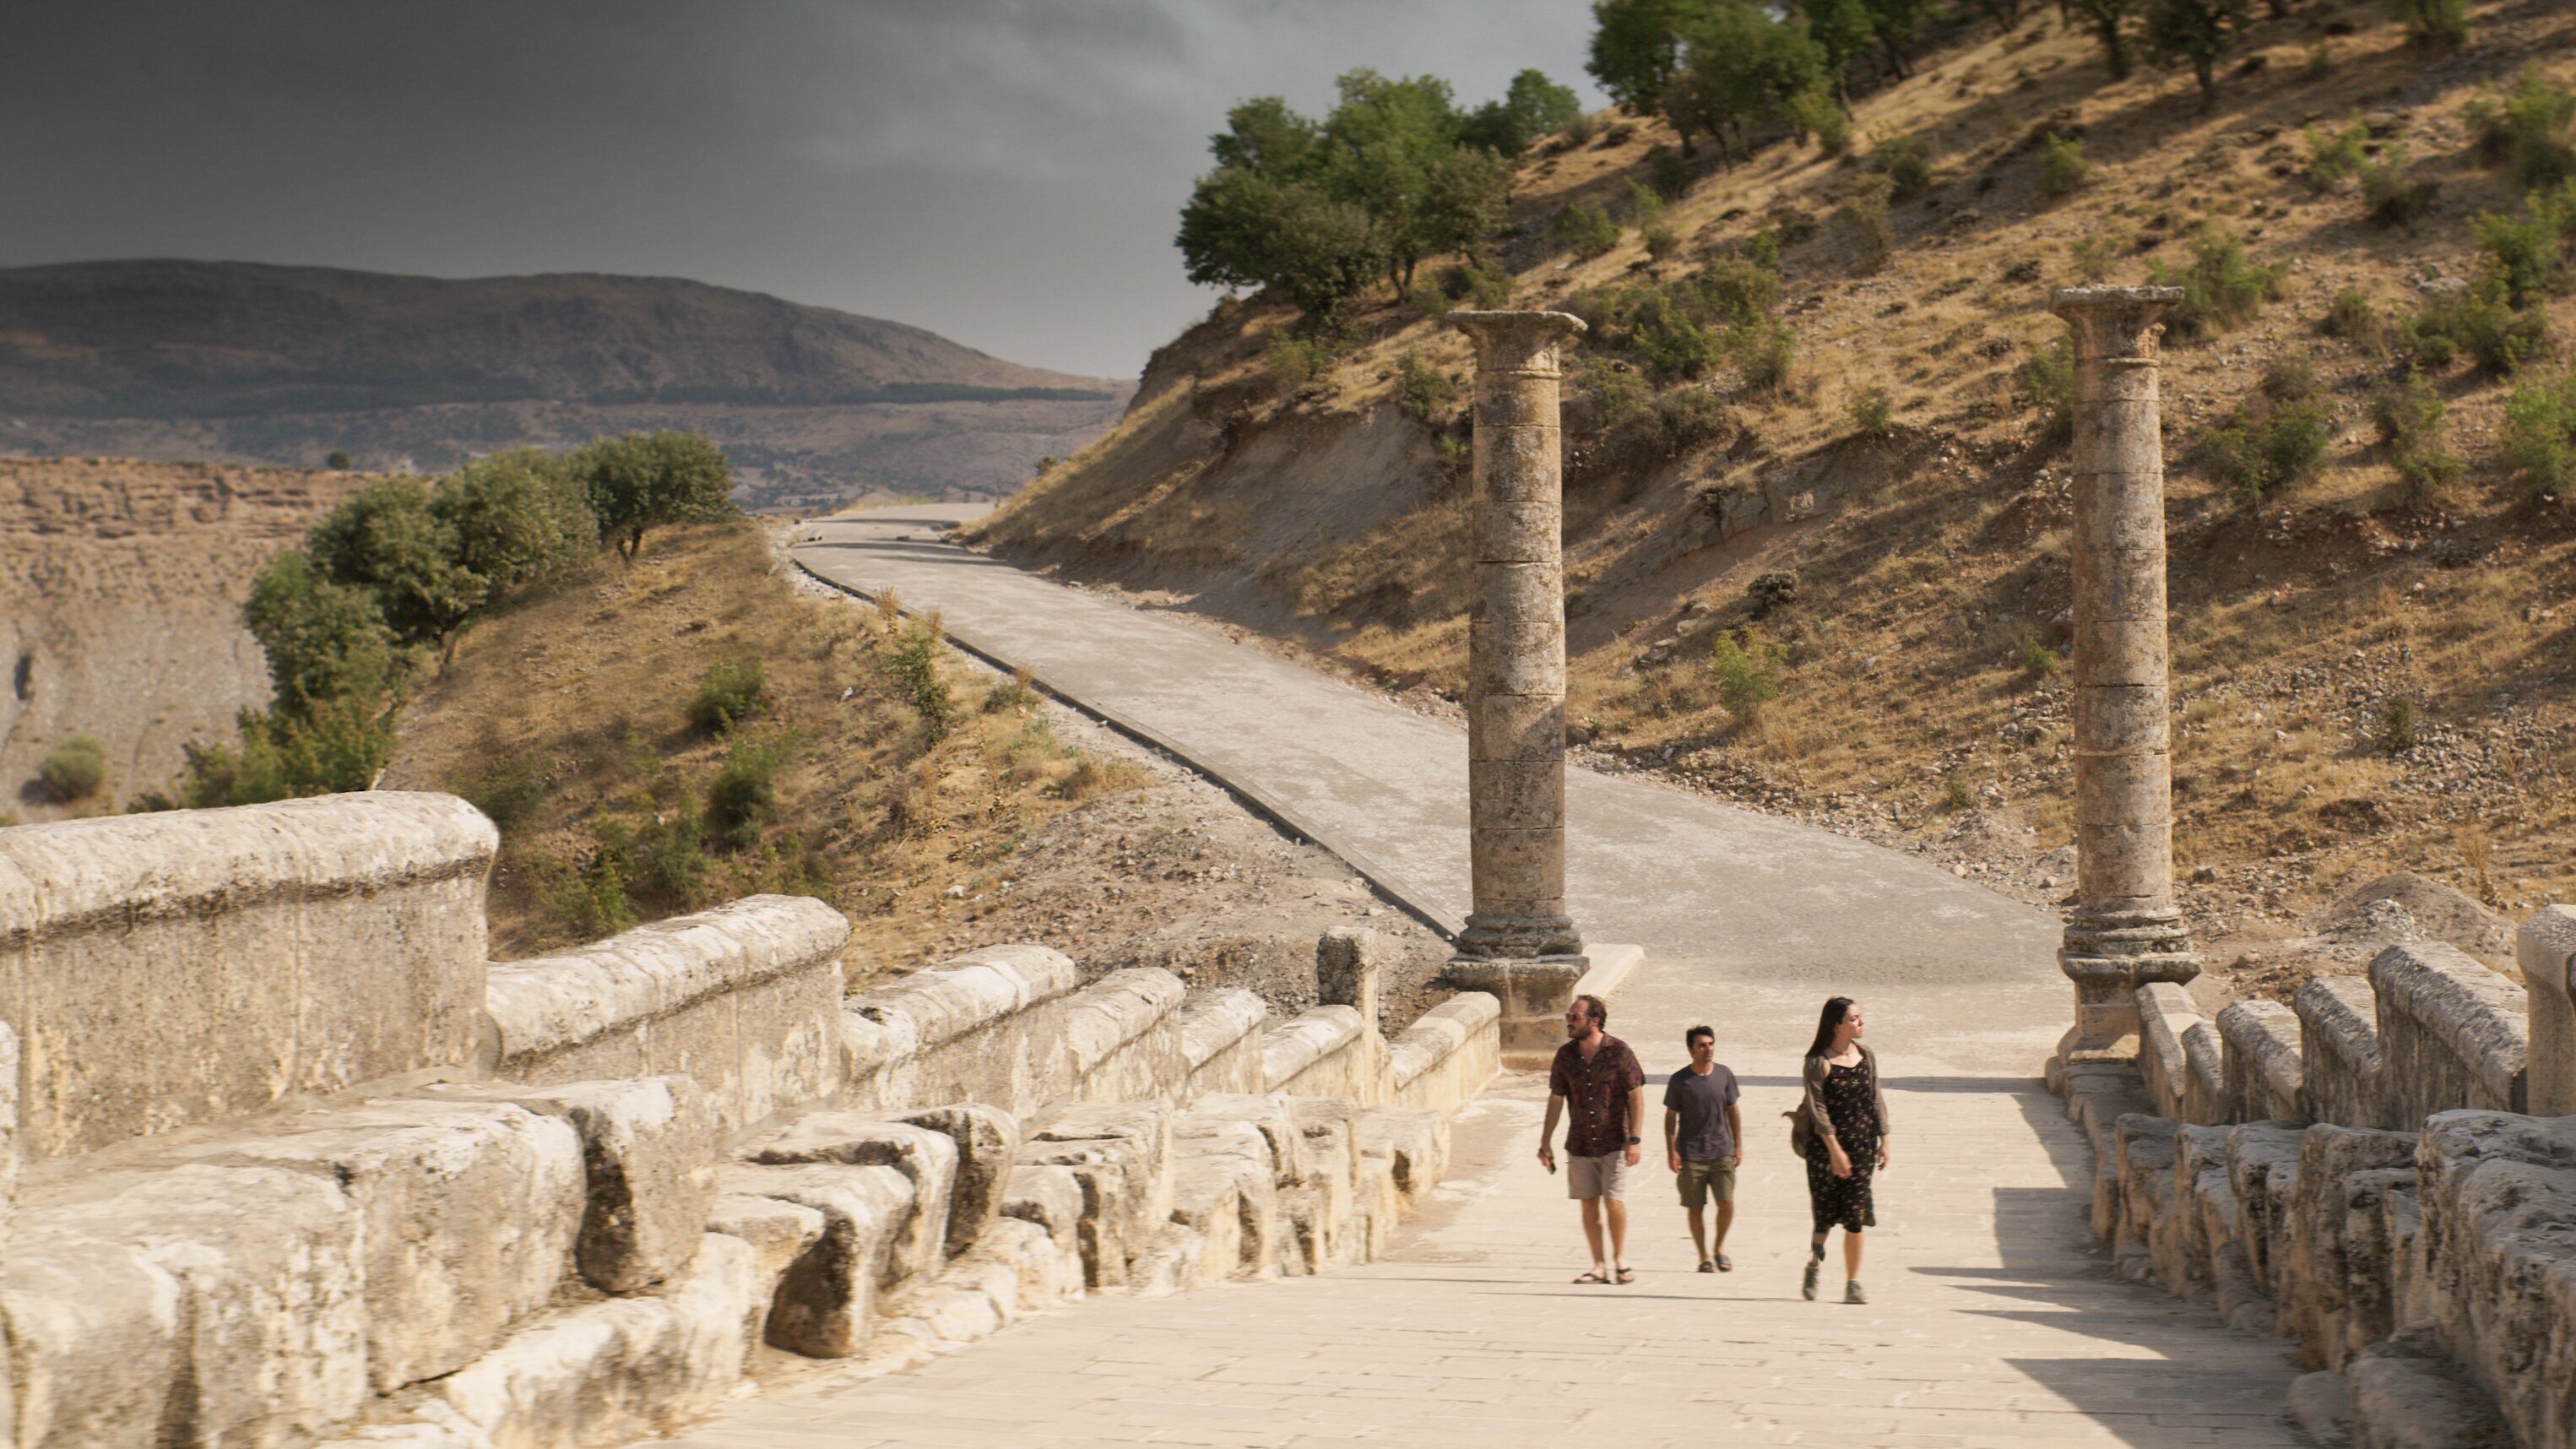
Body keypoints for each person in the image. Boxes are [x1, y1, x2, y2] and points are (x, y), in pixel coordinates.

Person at [1538, 993, 1646, 1284]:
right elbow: (1557, 1099)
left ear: (1594, 1021)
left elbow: (1636, 1096)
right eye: (1568, 1018)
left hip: (1615, 1140)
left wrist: (1635, 1139)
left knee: (1613, 1201)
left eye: (1575, 1017)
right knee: (1588, 1204)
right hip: (1581, 1141)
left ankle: (1620, 1260)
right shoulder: (1565, 1056)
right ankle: (1598, 1265)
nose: (1569, 1023)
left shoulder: (1619, 1052)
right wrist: (1545, 1141)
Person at [1791, 996, 1891, 1304]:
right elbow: (1818, 1110)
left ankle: (1853, 1282)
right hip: (1825, 1150)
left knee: (1854, 1216)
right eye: (1854, 1019)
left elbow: (1876, 1098)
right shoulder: (1817, 1063)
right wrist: (1835, 1150)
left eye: (1860, 1018)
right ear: (1836, 1025)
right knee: (1824, 1215)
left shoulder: (1867, 1056)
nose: (1860, 1023)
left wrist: (1885, 1138)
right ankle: (1814, 1264)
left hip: (1862, 1146)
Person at [1663, 1024, 1744, 1273]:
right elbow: (1670, 1117)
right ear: (1691, 1049)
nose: (1708, 1049)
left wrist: (1738, 1145)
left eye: (1711, 1044)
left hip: (1722, 1150)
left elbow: (1733, 1110)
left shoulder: (1724, 1074)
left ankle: (1719, 1248)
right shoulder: (1680, 1081)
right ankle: (1703, 1255)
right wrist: (1671, 1150)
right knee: (1695, 1207)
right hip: (1691, 1153)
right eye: (1702, 1045)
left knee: (1727, 1203)